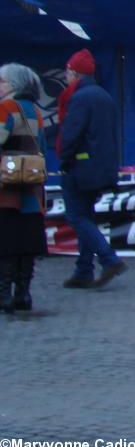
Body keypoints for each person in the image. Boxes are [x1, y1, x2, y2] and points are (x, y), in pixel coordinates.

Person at [57, 49, 127, 290]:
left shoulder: (79, 98)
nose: (66, 76)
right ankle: (83, 270)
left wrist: (65, 161)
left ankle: (109, 259)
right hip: (101, 168)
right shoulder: (104, 96)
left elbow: (71, 133)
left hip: (81, 167)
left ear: (74, 72)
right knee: (86, 217)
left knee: (76, 217)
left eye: (67, 71)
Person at [0, 64, 48, 312]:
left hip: (6, 189)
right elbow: (41, 146)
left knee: (6, 242)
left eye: (1, 81)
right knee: (26, 244)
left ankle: (3, 294)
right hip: (30, 187)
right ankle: (23, 294)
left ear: (13, 85)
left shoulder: (6, 108)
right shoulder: (35, 111)